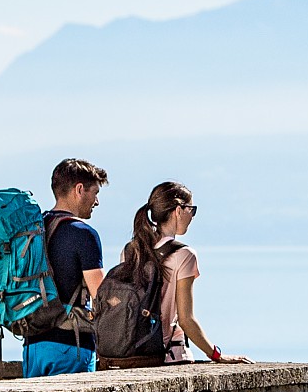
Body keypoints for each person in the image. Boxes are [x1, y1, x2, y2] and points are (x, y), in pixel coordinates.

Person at [102, 180, 248, 367]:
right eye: (191, 210)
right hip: (169, 353)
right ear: (178, 210)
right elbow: (186, 320)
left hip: (133, 351)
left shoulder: (131, 250)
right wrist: (217, 355)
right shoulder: (184, 255)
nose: (193, 216)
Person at [24, 157, 108, 378]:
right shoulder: (83, 233)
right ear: (79, 189)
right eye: (95, 193)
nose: (97, 201)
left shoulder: (34, 230)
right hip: (72, 346)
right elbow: (101, 297)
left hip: (33, 346)